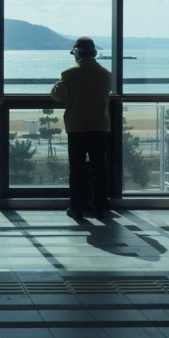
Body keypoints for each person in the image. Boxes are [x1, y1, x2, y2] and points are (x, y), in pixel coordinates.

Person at [50, 37, 112, 221]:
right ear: (94, 53)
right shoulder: (105, 73)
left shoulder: (69, 74)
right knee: (100, 168)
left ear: (77, 53)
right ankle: (100, 206)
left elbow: (57, 95)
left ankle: (77, 207)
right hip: (100, 126)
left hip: (77, 127)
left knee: (77, 169)